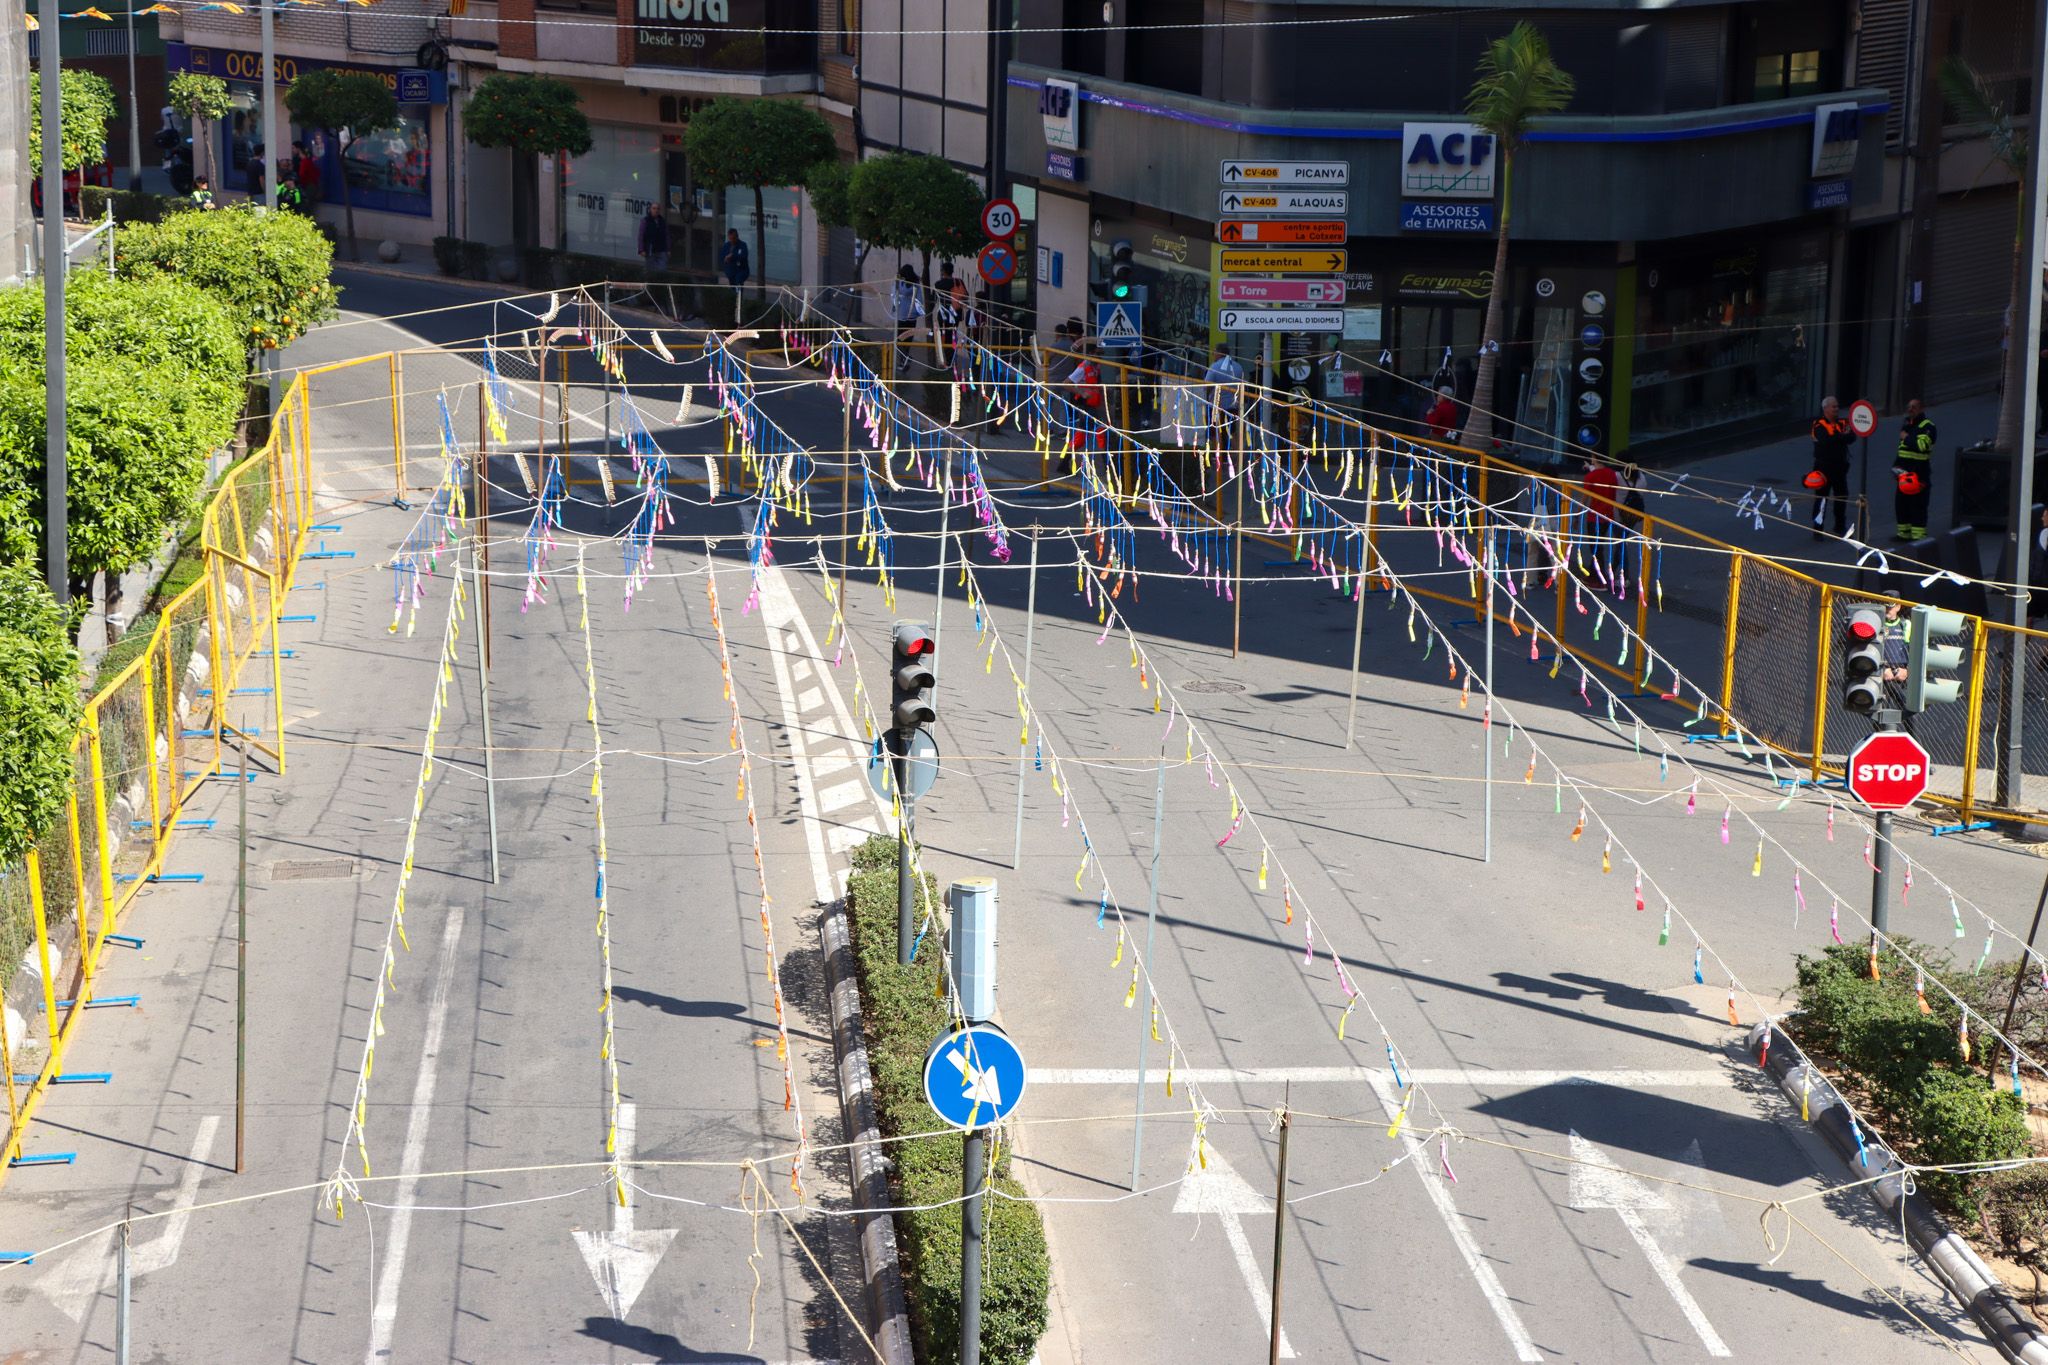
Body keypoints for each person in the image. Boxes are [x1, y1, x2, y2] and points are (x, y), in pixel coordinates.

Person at [1808, 395, 1854, 540]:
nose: (1836, 409)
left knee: (1841, 497)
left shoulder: (1843, 422)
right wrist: (1841, 437)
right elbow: (1825, 441)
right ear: (1825, 408)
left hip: (1840, 467)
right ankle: (1818, 530)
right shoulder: (1818, 424)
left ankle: (1840, 527)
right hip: (1823, 468)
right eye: (1833, 406)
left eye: (1837, 406)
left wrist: (1839, 437)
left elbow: (1852, 437)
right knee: (1821, 499)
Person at [1892, 398, 1935, 542]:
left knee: (1918, 506)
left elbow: (1922, 446)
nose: (1910, 409)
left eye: (1914, 407)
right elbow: (1902, 451)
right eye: (1909, 406)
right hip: (1903, 474)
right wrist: (1896, 467)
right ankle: (1903, 534)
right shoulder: (1907, 424)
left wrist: (1906, 437)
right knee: (1901, 504)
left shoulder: (1928, 427)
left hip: (1919, 473)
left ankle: (1918, 537)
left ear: (1922, 409)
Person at [1202, 344, 1245, 437]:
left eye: (1214, 352)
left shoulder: (1214, 367)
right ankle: (1233, 451)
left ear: (1219, 353)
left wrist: (1207, 398)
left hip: (1216, 406)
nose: (1213, 354)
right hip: (1232, 406)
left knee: (1213, 433)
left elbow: (1206, 386)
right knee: (1230, 434)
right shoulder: (1238, 367)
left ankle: (1216, 451)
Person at [889, 265, 924, 344]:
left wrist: (895, 307)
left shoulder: (898, 282)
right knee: (908, 338)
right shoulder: (916, 284)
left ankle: (899, 354)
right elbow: (919, 300)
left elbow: (894, 296)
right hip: (912, 316)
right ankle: (905, 354)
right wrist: (918, 312)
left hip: (900, 315)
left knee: (898, 338)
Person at [637, 203, 670, 275]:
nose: (656, 210)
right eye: (654, 208)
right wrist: (641, 249)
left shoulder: (662, 221)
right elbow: (641, 236)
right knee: (650, 270)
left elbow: (666, 235)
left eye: (658, 209)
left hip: (661, 249)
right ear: (650, 209)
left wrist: (668, 249)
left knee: (662, 270)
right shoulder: (645, 221)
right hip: (650, 249)